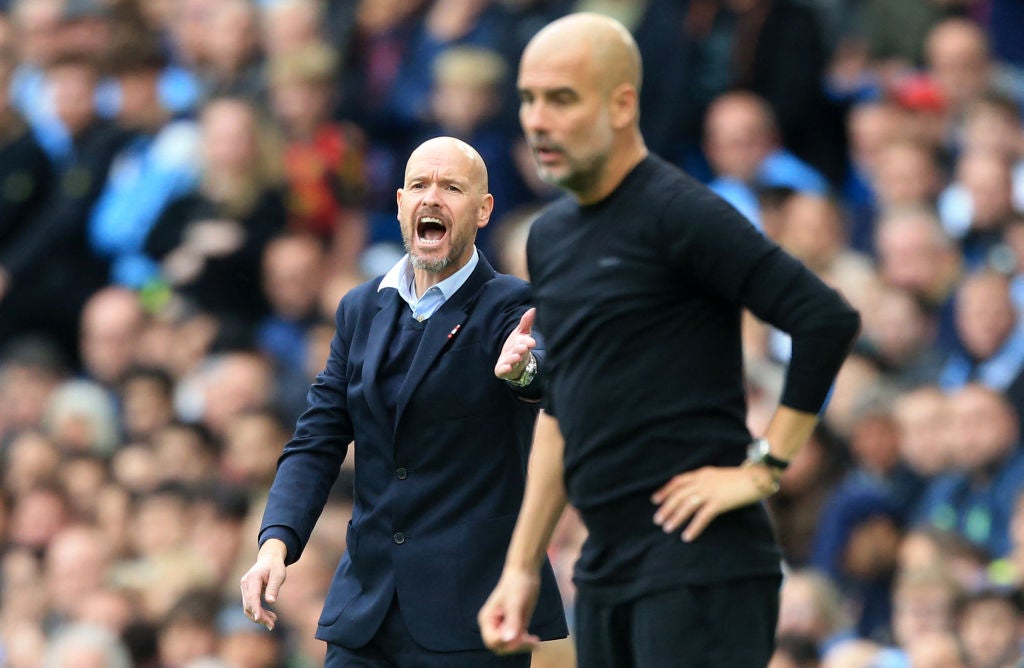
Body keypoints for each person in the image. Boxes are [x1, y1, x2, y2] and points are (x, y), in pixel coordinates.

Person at [477, 13, 860, 668]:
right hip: (604, 567)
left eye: (561, 98)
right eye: (529, 98)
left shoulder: (680, 210)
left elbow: (824, 319)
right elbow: (562, 410)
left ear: (622, 104)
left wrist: (763, 470)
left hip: (702, 562)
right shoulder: (550, 236)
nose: (537, 119)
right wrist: (521, 567)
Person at [239, 136, 568, 667]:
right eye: (419, 185)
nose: (432, 198)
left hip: (470, 618)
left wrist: (524, 370)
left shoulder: (511, 303)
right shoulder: (358, 309)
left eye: (452, 187)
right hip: (365, 610)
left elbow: (552, 373)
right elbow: (318, 438)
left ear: (483, 210)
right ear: (398, 204)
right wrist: (275, 544)